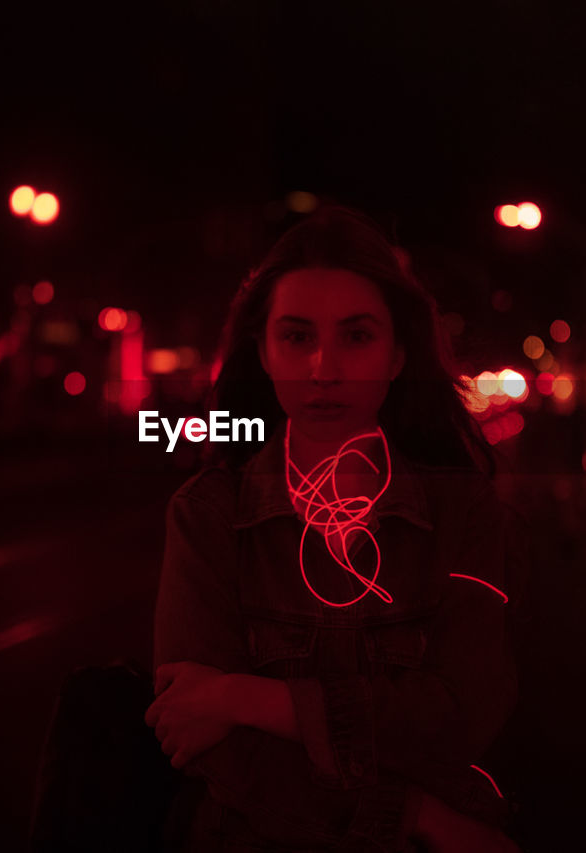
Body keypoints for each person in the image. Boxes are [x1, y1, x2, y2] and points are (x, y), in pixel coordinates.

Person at [146, 205, 524, 852]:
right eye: (297, 337)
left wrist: (248, 696)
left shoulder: (462, 509)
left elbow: (462, 714)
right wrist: (415, 817)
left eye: (356, 336)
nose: (324, 367)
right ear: (261, 351)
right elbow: (207, 743)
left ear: (400, 351)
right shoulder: (207, 512)